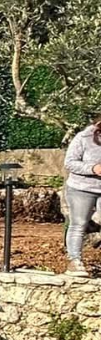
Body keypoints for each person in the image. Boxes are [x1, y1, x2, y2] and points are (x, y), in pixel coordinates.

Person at [62, 114, 101, 274]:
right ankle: (74, 262)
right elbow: (69, 162)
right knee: (78, 224)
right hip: (81, 188)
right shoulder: (84, 137)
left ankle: (94, 223)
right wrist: (92, 169)